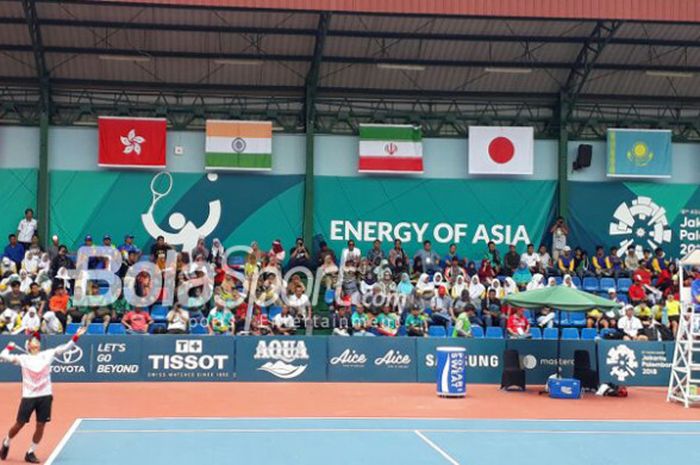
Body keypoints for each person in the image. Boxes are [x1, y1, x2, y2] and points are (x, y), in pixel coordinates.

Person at [0, 327, 87, 463]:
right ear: (28, 345)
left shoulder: (48, 354)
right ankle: (7, 441)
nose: (36, 342)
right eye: (33, 340)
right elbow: (3, 356)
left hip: (45, 396)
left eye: (38, 341)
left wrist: (76, 336)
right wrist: (9, 347)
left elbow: (65, 348)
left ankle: (31, 452)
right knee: (19, 424)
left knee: (41, 425)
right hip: (28, 397)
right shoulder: (22, 358)